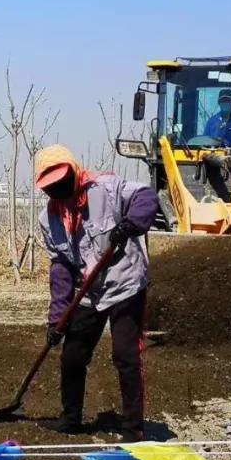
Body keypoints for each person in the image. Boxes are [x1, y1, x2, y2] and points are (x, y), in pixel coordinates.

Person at [35, 144, 159, 443]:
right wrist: (57, 321)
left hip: (126, 283)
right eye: (50, 186)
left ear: (74, 172)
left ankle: (132, 429)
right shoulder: (48, 219)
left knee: (125, 355)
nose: (57, 189)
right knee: (73, 355)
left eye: (61, 181)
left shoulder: (107, 189)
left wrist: (131, 223)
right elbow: (62, 270)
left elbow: (146, 196)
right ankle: (70, 419)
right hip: (90, 291)